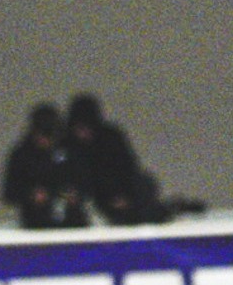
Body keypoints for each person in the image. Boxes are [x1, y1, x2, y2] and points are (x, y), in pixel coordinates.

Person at [63, 93, 162, 225]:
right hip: (86, 199)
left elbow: (127, 168)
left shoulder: (111, 139)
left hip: (117, 193)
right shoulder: (68, 145)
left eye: (86, 128)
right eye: (79, 128)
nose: (83, 133)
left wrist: (121, 195)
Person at [1, 103, 86, 229]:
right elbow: (9, 192)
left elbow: (86, 181)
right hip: (36, 224)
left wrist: (76, 193)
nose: (45, 141)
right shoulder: (22, 155)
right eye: (41, 134)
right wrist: (31, 195)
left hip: (72, 223)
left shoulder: (70, 151)